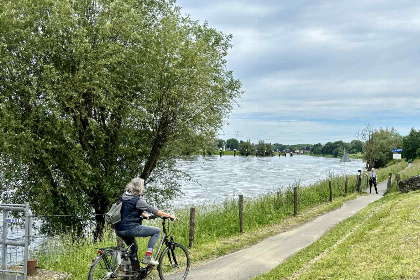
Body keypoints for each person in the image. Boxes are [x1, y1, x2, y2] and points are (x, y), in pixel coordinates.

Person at [114, 177, 178, 270]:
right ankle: (148, 257)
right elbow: (153, 210)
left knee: (133, 249)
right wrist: (169, 215)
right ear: (139, 187)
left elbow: (127, 210)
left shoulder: (124, 196)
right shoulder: (137, 200)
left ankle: (129, 271)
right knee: (157, 231)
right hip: (130, 229)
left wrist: (143, 214)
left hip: (119, 229)